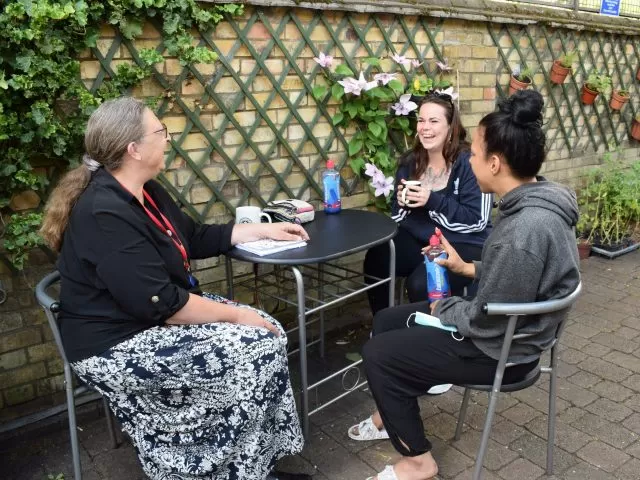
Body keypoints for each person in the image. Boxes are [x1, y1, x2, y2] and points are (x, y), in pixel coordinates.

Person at [40, 97, 310, 480]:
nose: (169, 139)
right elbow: (163, 304)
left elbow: (195, 237)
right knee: (257, 349)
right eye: (161, 132)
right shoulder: (103, 211)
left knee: (267, 328)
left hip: (150, 318)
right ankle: (209, 466)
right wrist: (236, 314)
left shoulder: (146, 190)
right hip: (112, 342)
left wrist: (263, 228)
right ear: (133, 149)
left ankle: (252, 465)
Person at [349, 90, 580, 480]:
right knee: (388, 321)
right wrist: (468, 268)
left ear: (494, 163)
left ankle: (418, 460)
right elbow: (514, 277)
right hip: (506, 329)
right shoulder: (538, 202)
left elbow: (487, 318)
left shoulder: (523, 230)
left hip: (503, 351)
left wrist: (446, 307)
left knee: (378, 353)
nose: (468, 160)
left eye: (473, 153)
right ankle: (389, 412)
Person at [363, 92, 492, 316]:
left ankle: (426, 338)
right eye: (421, 121)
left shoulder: (469, 162)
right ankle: (382, 324)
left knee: (420, 284)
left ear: (450, 127)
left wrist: (430, 200)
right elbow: (398, 212)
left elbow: (476, 221)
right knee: (377, 258)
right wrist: (403, 204)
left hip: (464, 242)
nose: (425, 127)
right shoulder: (410, 162)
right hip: (423, 239)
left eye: (434, 121)